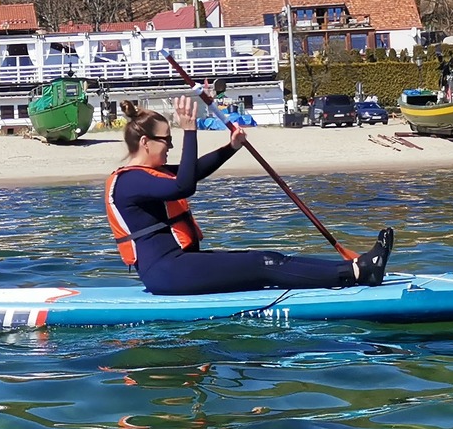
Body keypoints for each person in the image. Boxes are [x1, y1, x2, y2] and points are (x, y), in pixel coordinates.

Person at [105, 96, 391, 295]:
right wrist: (190, 130)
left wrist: (231, 147)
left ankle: (355, 267)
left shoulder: (146, 176)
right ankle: (358, 274)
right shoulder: (130, 182)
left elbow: (193, 170)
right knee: (262, 265)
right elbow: (183, 186)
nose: (169, 146)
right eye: (167, 140)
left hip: (178, 267)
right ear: (145, 142)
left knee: (268, 257)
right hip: (167, 273)